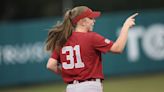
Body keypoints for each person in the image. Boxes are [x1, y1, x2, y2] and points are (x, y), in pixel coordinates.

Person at [45, 6, 138, 92]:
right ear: (82, 21)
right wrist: (126, 26)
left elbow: (50, 65)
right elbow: (118, 48)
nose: (94, 21)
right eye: (91, 18)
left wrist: (68, 74)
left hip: (71, 88)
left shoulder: (62, 41)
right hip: (89, 86)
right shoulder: (91, 37)